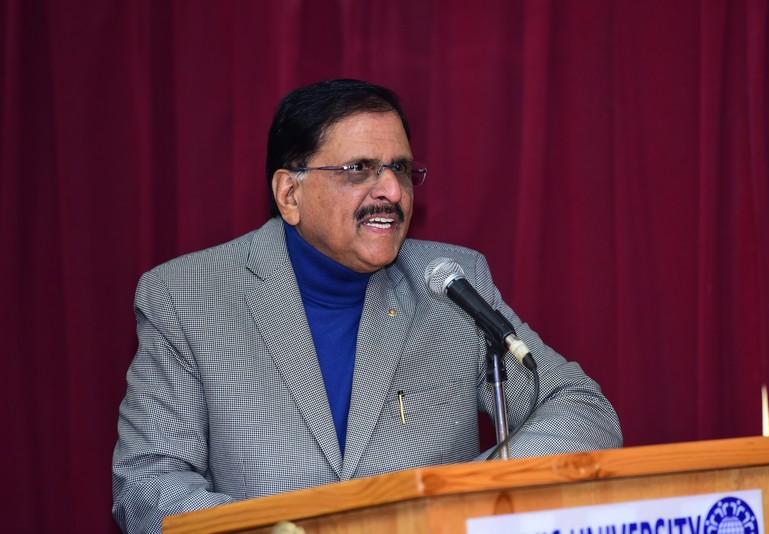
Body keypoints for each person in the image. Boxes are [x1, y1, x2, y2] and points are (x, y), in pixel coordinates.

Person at [112, 79, 622, 533]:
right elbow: (148, 483)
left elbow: (581, 408)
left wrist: (458, 497)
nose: (393, 191)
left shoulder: (450, 283)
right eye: (359, 169)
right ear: (290, 193)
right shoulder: (185, 296)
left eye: (400, 168)